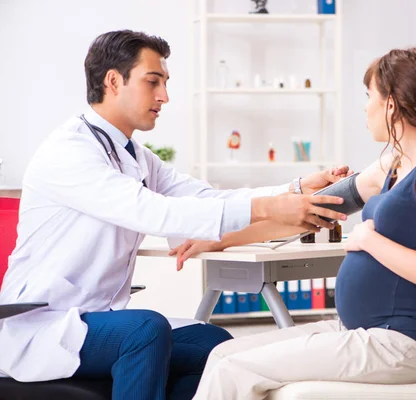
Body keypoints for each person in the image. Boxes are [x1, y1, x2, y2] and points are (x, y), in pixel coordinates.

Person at [0, 30, 351, 400]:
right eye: (153, 82)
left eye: (165, 83)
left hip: (93, 318)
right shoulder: (69, 150)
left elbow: (206, 197)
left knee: (213, 344)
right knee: (144, 329)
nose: (164, 96)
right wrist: (267, 208)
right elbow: (154, 212)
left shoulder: (134, 154)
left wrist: (295, 189)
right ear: (113, 81)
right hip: (41, 326)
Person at [172, 46, 416, 400]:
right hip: (359, 330)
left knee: (236, 371)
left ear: (390, 104)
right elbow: (302, 214)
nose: (364, 106)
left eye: (368, 95)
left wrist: (371, 241)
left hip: (400, 344)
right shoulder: (390, 164)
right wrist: (217, 240)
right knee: (221, 356)